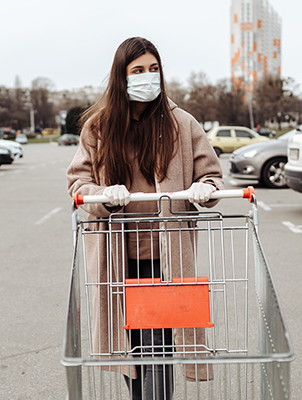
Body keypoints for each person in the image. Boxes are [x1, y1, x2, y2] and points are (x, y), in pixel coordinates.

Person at [66, 37, 224, 400]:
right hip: (117, 259)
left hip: (167, 260)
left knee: (159, 350)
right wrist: (103, 195)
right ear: (121, 79)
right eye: (138, 71)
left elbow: (211, 175)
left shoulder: (181, 124)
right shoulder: (99, 128)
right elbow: (78, 182)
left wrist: (206, 188)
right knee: (132, 350)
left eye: (154, 70)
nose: (147, 77)